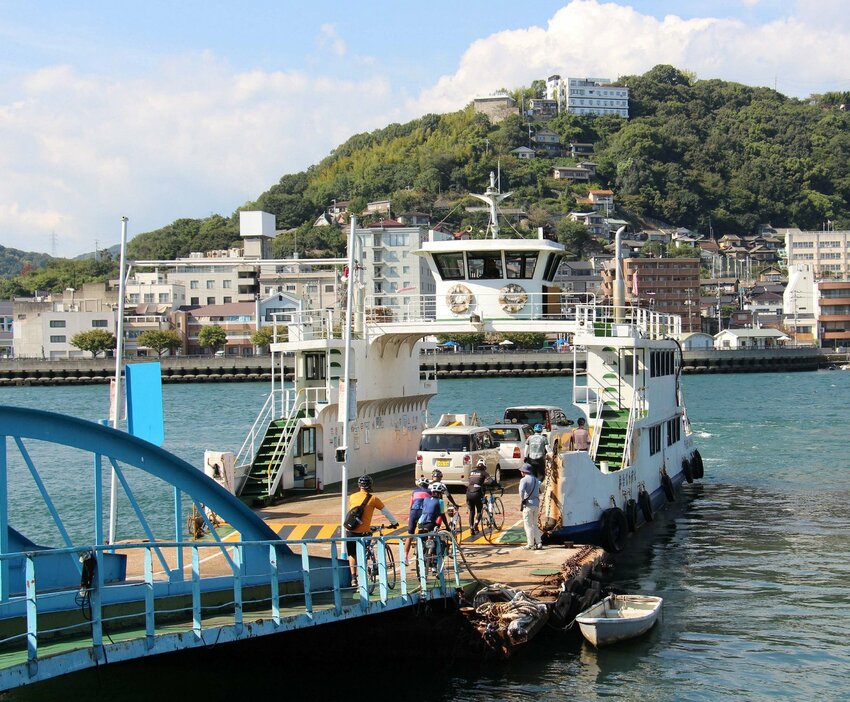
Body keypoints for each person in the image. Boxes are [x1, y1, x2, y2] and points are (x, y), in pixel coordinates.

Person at [345, 474, 399, 585]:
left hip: (351, 530)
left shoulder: (352, 496)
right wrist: (394, 523)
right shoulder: (373, 499)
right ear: (370, 486)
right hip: (364, 532)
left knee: (352, 554)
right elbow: (386, 512)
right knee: (364, 552)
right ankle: (366, 572)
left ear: (359, 485)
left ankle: (353, 577)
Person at [404, 478, 431, 564]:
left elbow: (411, 505)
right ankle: (429, 553)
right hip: (423, 513)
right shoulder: (429, 492)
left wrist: (409, 516)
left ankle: (405, 556)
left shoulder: (414, 492)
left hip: (413, 512)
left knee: (410, 534)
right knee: (428, 531)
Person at [519, 463, 542, 550]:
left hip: (528, 505)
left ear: (524, 472)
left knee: (528, 525)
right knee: (535, 524)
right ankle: (539, 543)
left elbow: (521, 491)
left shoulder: (523, 480)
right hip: (536, 504)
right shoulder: (536, 480)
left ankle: (530, 544)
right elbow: (540, 489)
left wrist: (522, 500)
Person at [466, 458, 490, 535]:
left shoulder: (471, 472)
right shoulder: (484, 473)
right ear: (485, 466)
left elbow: (472, 481)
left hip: (468, 493)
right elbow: (491, 481)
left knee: (472, 511)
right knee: (479, 510)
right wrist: (498, 485)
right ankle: (476, 525)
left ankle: (471, 527)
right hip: (477, 493)